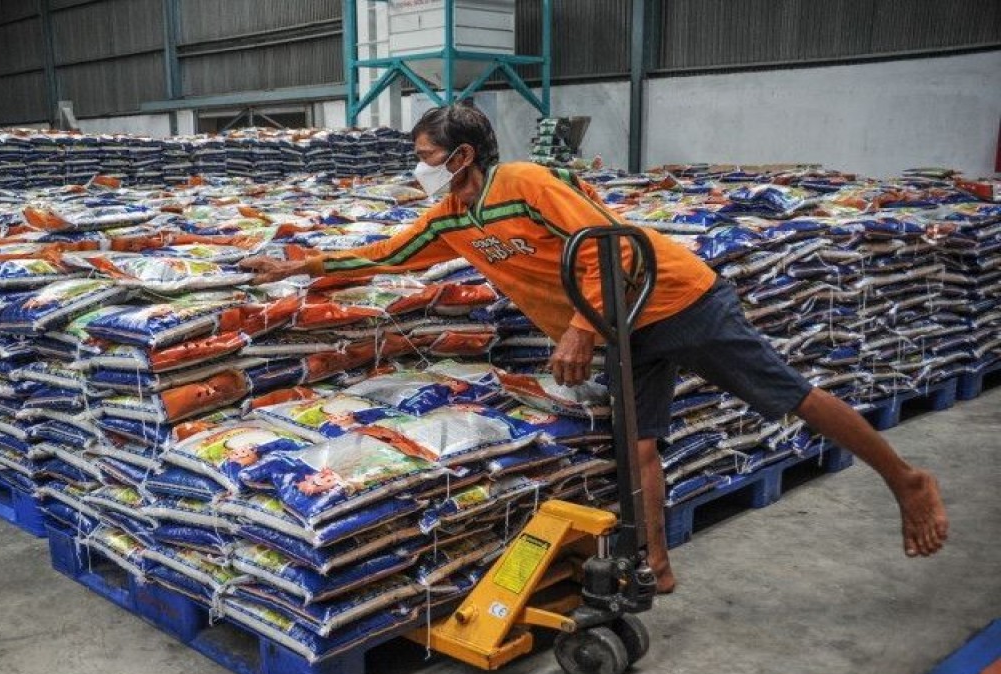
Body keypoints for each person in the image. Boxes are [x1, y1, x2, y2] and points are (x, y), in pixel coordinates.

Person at [238, 103, 949, 592]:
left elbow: (612, 248)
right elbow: (388, 256)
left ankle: (904, 479)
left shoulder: (526, 183)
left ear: (460, 155)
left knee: (790, 396)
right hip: (620, 330)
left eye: (424, 157)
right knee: (637, 445)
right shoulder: (453, 215)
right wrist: (298, 267)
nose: (417, 168)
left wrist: (580, 326)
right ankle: (657, 564)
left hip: (675, 301)